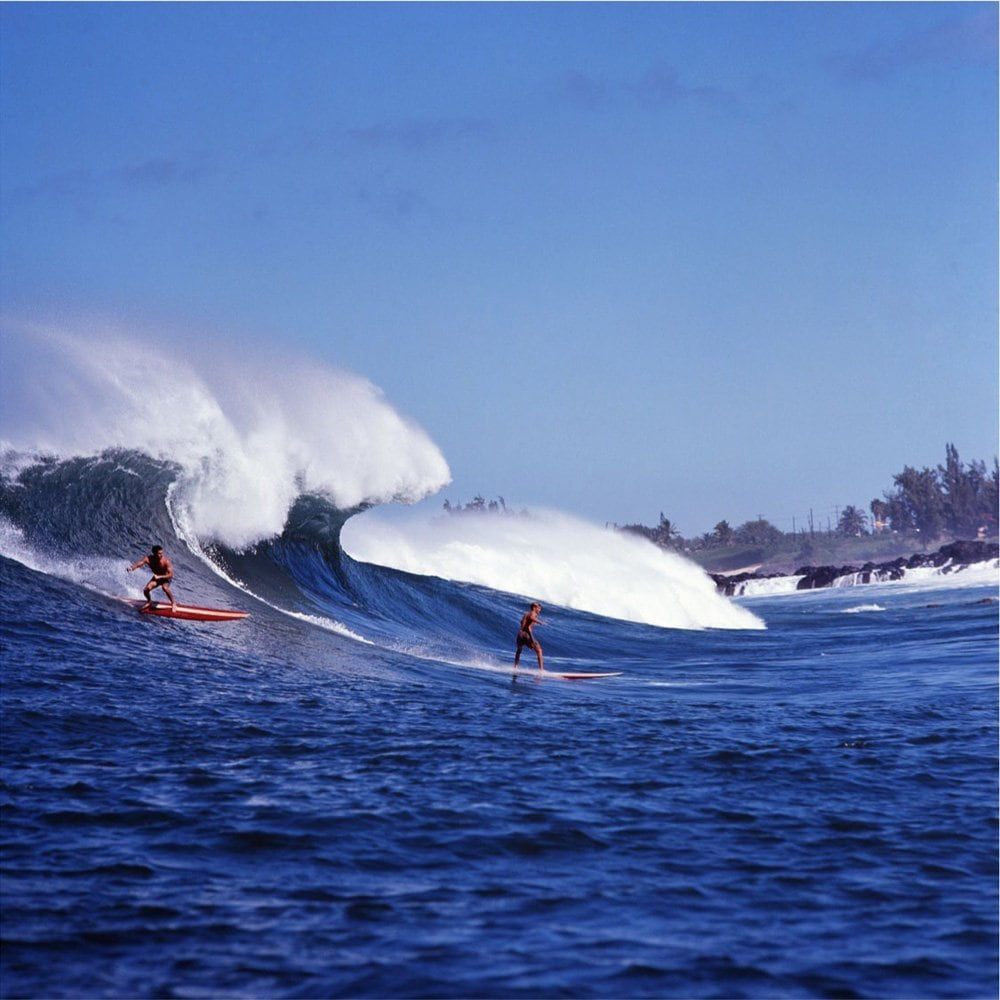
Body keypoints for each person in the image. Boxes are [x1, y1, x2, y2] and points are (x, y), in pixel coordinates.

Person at [127, 545, 176, 610]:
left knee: (164, 588)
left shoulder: (166, 561)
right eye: (159, 553)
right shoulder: (148, 559)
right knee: (146, 590)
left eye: (162, 553)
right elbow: (139, 563)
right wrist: (132, 568)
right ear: (154, 553)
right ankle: (149, 602)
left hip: (166, 578)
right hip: (157, 578)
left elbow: (171, 575)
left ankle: (173, 603)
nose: (161, 555)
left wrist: (160, 576)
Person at [514, 602, 545, 671]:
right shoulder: (533, 613)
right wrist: (540, 622)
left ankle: (515, 667)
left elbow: (522, 622)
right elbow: (530, 623)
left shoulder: (525, 614)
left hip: (520, 634)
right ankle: (541, 670)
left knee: (519, 651)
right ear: (534, 608)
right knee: (539, 650)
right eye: (539, 608)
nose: (539, 610)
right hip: (526, 634)